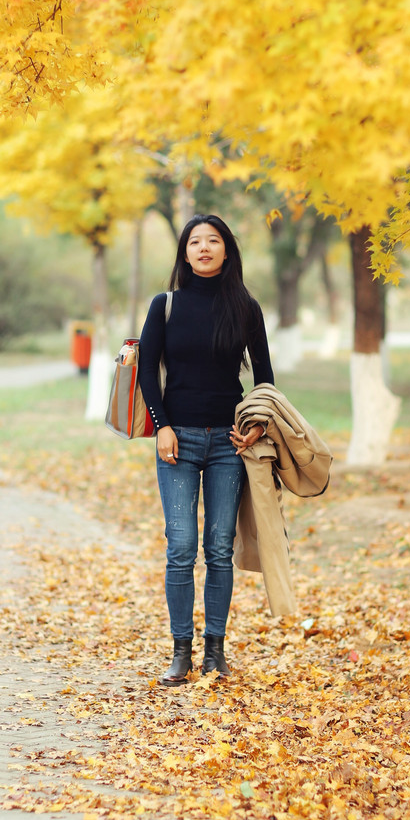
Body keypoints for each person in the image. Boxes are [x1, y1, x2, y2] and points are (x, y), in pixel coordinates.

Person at [138, 213, 274, 685]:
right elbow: (146, 371)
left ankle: (215, 651)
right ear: (184, 252)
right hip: (178, 440)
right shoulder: (166, 305)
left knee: (218, 548)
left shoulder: (246, 307)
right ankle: (181, 652)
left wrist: (256, 427)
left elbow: (265, 378)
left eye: (212, 240)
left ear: (226, 249)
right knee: (180, 547)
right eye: (194, 241)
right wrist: (162, 426)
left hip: (229, 444)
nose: (203, 248)